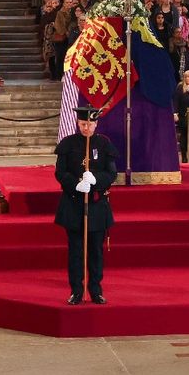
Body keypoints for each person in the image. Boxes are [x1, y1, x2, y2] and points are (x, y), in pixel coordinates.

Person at [55, 104, 119, 304]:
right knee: (76, 251)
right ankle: (76, 290)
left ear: (96, 124)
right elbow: (60, 172)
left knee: (96, 252)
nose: (86, 128)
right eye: (83, 124)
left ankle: (96, 289)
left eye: (90, 124)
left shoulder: (104, 144)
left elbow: (111, 174)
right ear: (77, 123)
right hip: (74, 204)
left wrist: (96, 180)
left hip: (97, 206)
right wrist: (76, 184)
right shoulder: (67, 144)